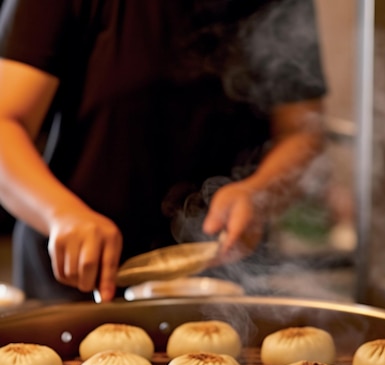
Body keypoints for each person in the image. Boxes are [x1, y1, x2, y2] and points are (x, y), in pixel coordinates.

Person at [0, 0, 327, 302]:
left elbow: (302, 131)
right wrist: (61, 214)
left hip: (224, 283)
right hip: (76, 281)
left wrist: (260, 192)